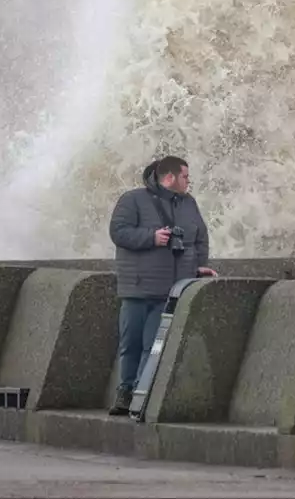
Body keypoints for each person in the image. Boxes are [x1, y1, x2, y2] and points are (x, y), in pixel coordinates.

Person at [107, 155, 215, 416]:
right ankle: (125, 392)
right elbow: (118, 232)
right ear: (169, 177)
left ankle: (139, 397)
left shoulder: (189, 204)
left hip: (170, 287)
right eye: (185, 176)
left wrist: (199, 265)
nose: (189, 181)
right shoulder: (132, 200)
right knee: (131, 343)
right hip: (137, 286)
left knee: (152, 345)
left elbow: (200, 239)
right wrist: (151, 237)